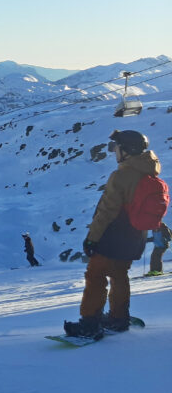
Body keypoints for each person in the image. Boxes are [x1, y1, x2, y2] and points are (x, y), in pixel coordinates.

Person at [65, 130, 161, 337]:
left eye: (115, 147)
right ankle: (119, 318)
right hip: (136, 236)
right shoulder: (149, 172)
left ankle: (89, 323)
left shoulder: (122, 176)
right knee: (119, 274)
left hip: (113, 235)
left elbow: (107, 212)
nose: (113, 151)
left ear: (127, 150)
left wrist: (91, 238)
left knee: (95, 276)